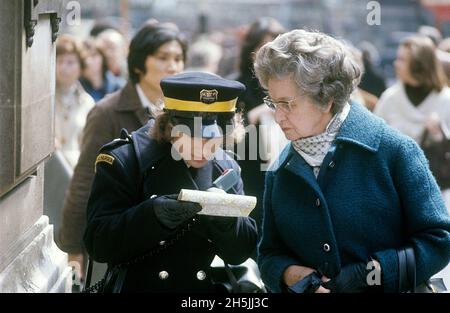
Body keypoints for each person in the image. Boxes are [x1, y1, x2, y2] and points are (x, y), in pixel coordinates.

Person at [254, 29, 450, 293]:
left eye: (287, 104)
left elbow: (439, 240)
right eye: (272, 102)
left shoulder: (396, 151)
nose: (278, 116)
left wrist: (367, 274)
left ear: (326, 100)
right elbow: (269, 255)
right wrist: (293, 276)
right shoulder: (280, 170)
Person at [83, 71, 257, 292]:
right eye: (193, 137)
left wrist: (228, 222)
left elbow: (242, 251)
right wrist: (151, 216)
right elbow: (98, 243)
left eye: (212, 140)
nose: (203, 149)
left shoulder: (225, 166)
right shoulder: (126, 159)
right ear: (171, 127)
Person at [56, 23, 187, 283]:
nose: (173, 66)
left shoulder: (184, 113)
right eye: (162, 58)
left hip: (174, 253)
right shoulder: (107, 113)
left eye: (178, 58)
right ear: (139, 64)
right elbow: (84, 182)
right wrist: (72, 247)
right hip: (121, 245)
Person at [235, 17, 286, 235]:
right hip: (250, 177)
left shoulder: (294, 86)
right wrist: (252, 117)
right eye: (264, 48)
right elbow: (226, 139)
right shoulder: (236, 87)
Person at [54, 34, 95, 167]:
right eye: (59, 61)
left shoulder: (87, 102)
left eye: (70, 62)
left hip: (75, 170)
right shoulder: (43, 99)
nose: (63, 68)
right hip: (49, 171)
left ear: (81, 67)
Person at [79, 38, 125, 102]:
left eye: (93, 55)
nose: (88, 62)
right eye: (84, 58)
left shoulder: (119, 87)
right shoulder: (77, 90)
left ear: (102, 57)